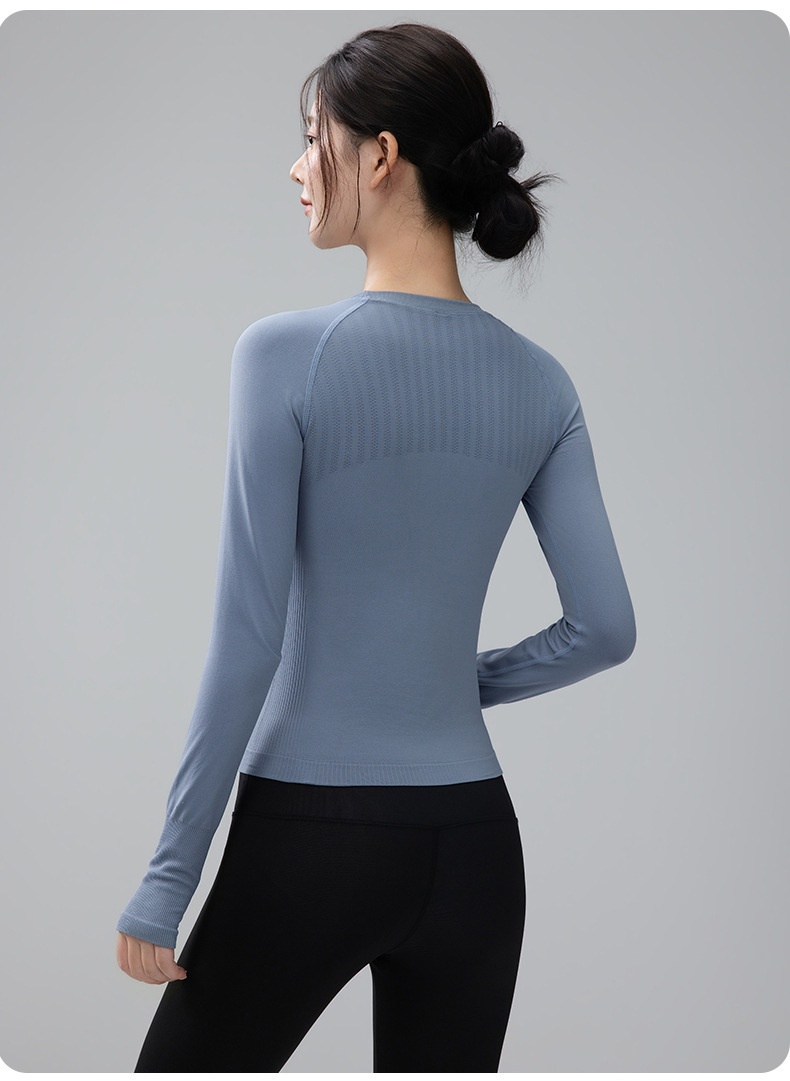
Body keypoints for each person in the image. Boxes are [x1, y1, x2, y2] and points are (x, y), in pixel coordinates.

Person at [115, 20, 636, 1073]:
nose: (297, 167)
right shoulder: (541, 383)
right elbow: (605, 629)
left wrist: (168, 879)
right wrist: (452, 680)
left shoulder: (282, 355)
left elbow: (249, 639)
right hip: (475, 849)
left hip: (312, 838)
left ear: (381, 155)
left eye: (315, 138)